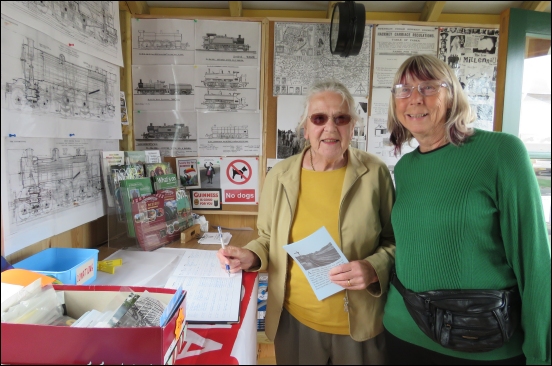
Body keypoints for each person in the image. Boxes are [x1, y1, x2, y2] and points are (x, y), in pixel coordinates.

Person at [383, 54, 551, 364]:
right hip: (402, 333)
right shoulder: (405, 168)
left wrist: (541, 353)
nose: (415, 99)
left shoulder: (501, 152)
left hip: (481, 341)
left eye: (429, 87)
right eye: (403, 90)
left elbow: (534, 260)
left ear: (451, 97)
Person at [217, 80, 396, 364]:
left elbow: (394, 241)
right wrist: (249, 256)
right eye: (319, 118)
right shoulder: (280, 175)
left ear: (353, 126)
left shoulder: (375, 173)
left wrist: (373, 268)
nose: (330, 127)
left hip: (361, 326)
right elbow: (266, 238)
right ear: (306, 128)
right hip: (297, 322)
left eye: (341, 118)